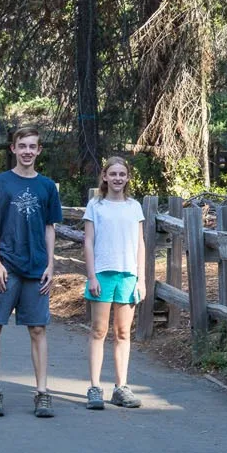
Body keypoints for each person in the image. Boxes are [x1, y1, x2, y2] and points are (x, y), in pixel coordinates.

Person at [0, 125, 63, 418]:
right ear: (13, 149)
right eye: (22, 146)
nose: (27, 151)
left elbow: (49, 227)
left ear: (39, 151)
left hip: (36, 267)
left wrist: (51, 264)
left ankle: (42, 392)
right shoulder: (0, 183)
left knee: (38, 328)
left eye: (32, 146)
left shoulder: (47, 187)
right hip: (7, 264)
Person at [82, 156, 146, 410]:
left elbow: (140, 243)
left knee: (122, 332)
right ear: (105, 177)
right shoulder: (96, 206)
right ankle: (95, 387)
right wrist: (91, 276)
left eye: (122, 174)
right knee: (98, 331)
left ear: (127, 178)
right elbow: (88, 241)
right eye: (113, 174)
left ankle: (121, 387)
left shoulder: (134, 207)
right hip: (103, 274)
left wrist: (141, 278)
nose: (118, 178)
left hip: (128, 274)